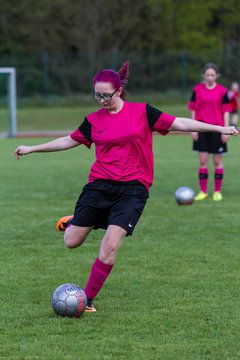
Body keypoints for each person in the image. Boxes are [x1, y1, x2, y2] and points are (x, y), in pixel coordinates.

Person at [15, 61, 238, 313]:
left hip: (133, 189)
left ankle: (86, 300)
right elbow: (68, 140)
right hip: (99, 186)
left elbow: (180, 123)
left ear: (119, 91)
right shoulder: (93, 120)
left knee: (110, 246)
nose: (101, 100)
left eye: (106, 95)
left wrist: (220, 128)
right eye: (96, 95)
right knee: (71, 241)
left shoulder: (143, 112)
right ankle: (75, 220)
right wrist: (32, 148)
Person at [188, 63, 233, 202]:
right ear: (203, 75)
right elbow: (193, 110)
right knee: (203, 161)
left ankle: (217, 191)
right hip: (201, 129)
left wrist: (225, 131)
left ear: (217, 76)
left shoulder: (222, 91)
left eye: (212, 75)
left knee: (217, 161)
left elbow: (226, 111)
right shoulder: (197, 90)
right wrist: (193, 128)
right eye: (207, 75)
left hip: (218, 129)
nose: (210, 77)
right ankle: (203, 191)